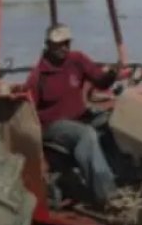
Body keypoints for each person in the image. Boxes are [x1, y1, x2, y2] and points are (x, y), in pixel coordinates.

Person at [21, 23, 128, 205]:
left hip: (80, 117)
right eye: (59, 44)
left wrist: (110, 74)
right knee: (85, 135)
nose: (64, 47)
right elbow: (28, 111)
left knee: (115, 122)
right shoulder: (39, 76)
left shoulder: (77, 60)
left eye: (67, 43)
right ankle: (108, 195)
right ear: (48, 45)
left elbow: (100, 81)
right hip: (53, 125)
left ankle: (124, 178)